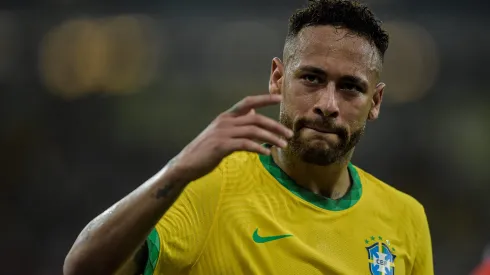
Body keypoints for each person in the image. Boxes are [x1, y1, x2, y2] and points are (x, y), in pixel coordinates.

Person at [63, 0, 434, 274]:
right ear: (277, 78)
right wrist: (177, 171)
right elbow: (82, 267)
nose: (327, 104)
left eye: (351, 87)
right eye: (311, 78)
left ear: (376, 101)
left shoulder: (406, 218)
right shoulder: (212, 186)